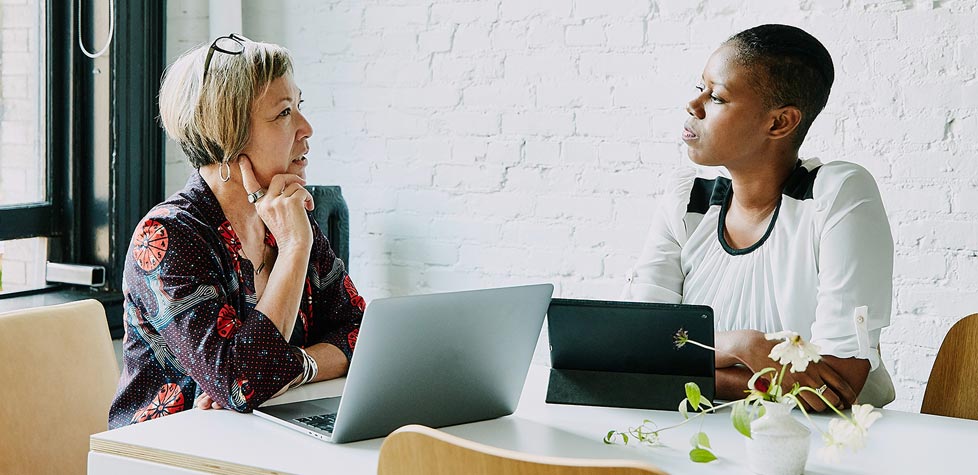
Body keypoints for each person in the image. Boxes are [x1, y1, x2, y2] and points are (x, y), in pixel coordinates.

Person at [621, 24, 896, 410]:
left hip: (819, 451)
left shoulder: (837, 196)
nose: (693, 106)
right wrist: (743, 345)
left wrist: (684, 367)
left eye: (716, 97)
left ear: (779, 122)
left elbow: (835, 388)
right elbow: (635, 351)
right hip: (696, 440)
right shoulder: (688, 202)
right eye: (699, 88)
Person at [108, 34, 364, 428]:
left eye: (299, 107)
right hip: (168, 454)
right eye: (283, 113)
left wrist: (296, 367)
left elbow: (363, 334)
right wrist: (295, 248)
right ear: (228, 136)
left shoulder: (288, 214)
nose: (306, 127)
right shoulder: (166, 237)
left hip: (258, 441)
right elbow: (241, 381)